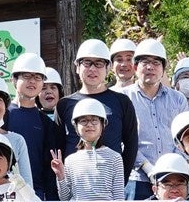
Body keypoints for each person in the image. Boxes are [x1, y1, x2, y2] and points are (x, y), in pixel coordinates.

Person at [58, 40, 137, 181]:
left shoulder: (122, 102)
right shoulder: (64, 104)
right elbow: (57, 146)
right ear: (77, 67)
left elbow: (131, 145)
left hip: (109, 183)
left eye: (99, 63)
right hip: (74, 183)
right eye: (87, 63)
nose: (92, 69)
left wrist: (120, 180)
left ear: (108, 68)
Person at [125, 39, 189, 200]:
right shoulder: (123, 98)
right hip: (137, 179)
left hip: (172, 182)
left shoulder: (178, 99)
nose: (150, 67)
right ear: (135, 67)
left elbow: (184, 138)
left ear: (163, 69)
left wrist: (170, 169)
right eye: (145, 62)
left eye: (156, 63)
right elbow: (123, 140)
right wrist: (147, 167)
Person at [7, 54, 66, 200]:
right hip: (4, 191)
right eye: (26, 76)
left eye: (38, 77)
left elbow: (49, 167)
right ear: (14, 79)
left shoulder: (46, 122)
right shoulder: (3, 115)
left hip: (35, 193)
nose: (32, 81)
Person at [57, 98, 124, 201]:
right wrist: (60, 176)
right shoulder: (70, 160)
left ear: (103, 125)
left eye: (94, 120)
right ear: (76, 127)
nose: (89, 125)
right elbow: (65, 199)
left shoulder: (115, 157)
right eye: (83, 121)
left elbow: (119, 198)